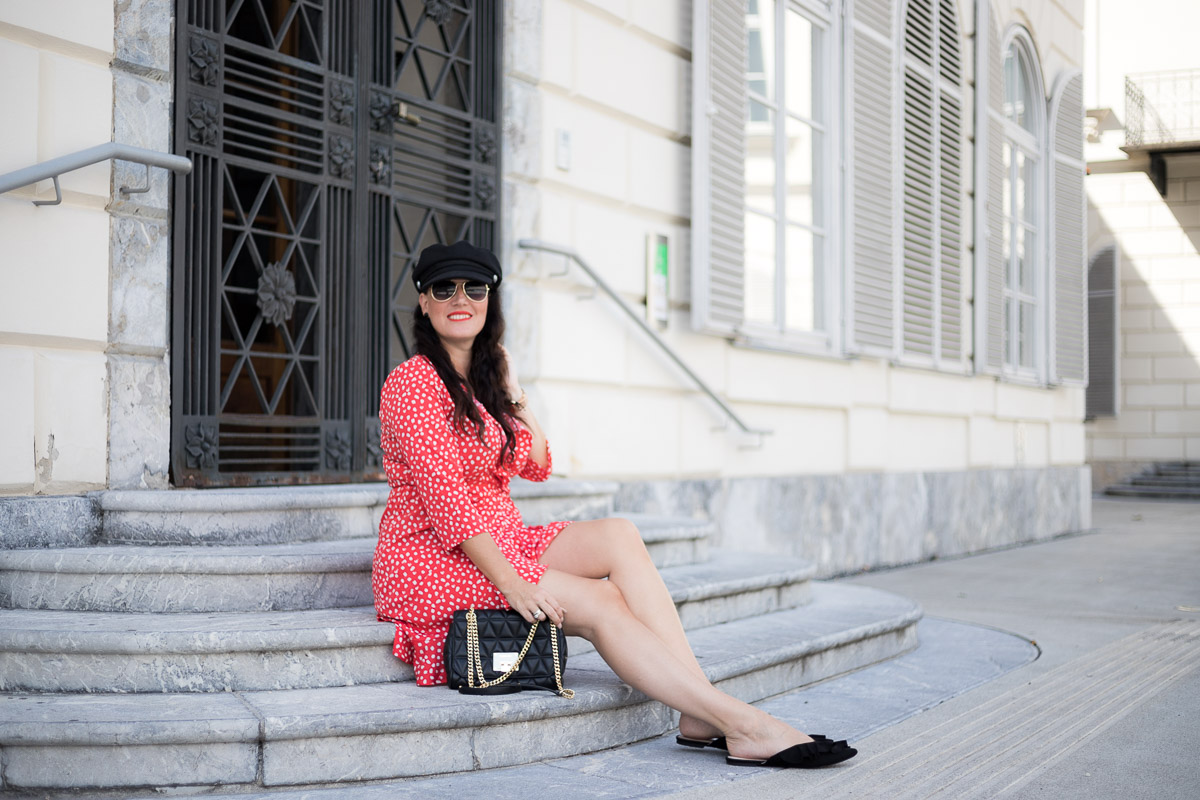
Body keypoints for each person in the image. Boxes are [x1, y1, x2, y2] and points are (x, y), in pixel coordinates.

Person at [372, 241, 856, 769]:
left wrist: (510, 389)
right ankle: (742, 724)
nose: (459, 298)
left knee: (619, 534)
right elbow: (449, 507)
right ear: (423, 301)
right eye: (444, 287)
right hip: (433, 556)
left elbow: (537, 462)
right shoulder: (415, 382)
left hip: (501, 537)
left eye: (474, 287)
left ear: (491, 299)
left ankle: (698, 712)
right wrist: (515, 585)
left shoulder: (483, 382)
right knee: (602, 602)